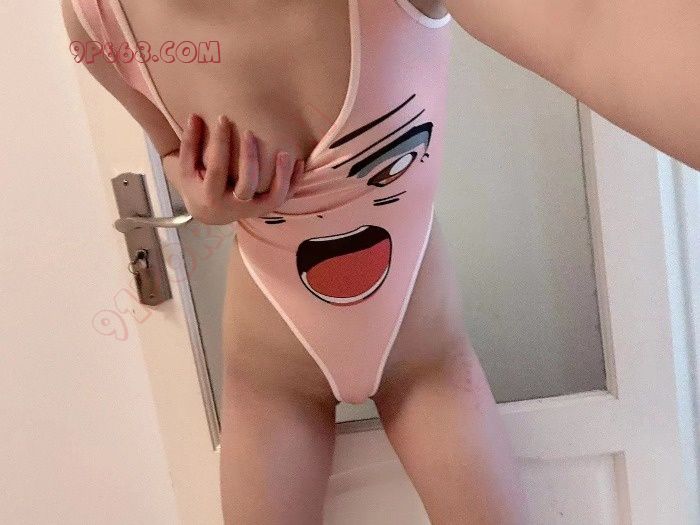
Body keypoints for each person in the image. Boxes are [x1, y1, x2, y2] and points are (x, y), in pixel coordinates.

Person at [61, 0, 698, 523]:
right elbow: (171, 152)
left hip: (426, 368)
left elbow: (596, 26)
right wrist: (201, 195)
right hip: (271, 383)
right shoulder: (96, 19)